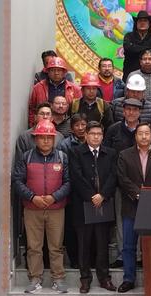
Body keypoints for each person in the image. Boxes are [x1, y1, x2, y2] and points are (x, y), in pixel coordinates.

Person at [12, 119, 70, 294]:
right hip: (32, 209)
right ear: (35, 138)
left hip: (56, 209)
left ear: (54, 139)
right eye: (42, 137)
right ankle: (35, 278)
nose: (46, 141)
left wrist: (54, 197)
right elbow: (17, 181)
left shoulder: (62, 157)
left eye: (49, 137)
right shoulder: (26, 157)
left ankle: (58, 278)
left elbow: (68, 183)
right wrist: (32, 197)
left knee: (56, 246)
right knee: (34, 246)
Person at [116, 123, 151, 293]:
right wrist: (138, 194)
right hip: (131, 205)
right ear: (135, 136)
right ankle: (128, 279)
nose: (144, 137)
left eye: (147, 133)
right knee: (128, 245)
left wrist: (149, 196)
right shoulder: (125, 155)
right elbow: (122, 179)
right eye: (140, 133)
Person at [69, 121, 118, 293]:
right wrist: (92, 196)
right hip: (83, 205)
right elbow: (76, 176)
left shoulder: (110, 153)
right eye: (93, 134)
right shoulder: (75, 152)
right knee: (84, 244)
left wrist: (102, 195)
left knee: (102, 244)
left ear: (103, 136)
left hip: (104, 204)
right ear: (86, 135)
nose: (96, 136)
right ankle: (85, 279)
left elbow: (114, 176)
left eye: (99, 134)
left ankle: (104, 278)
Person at [103, 98, 142, 269]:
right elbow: (107, 156)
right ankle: (121, 254)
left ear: (140, 112)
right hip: (119, 183)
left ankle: (140, 255)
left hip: (142, 186)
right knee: (121, 220)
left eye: (135, 109)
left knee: (142, 219)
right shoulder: (113, 130)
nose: (131, 112)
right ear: (123, 111)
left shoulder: (144, 130)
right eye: (128, 109)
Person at [57, 113, 87, 269]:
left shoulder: (91, 141)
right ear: (72, 128)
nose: (81, 128)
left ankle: (88, 259)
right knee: (71, 227)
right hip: (71, 192)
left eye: (83, 125)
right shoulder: (65, 145)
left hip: (88, 193)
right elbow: (64, 170)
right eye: (77, 125)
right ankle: (74, 259)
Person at [29, 57, 81, 127]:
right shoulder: (38, 88)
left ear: (64, 72)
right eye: (53, 70)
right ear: (48, 72)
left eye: (59, 70)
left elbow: (79, 111)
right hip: (43, 125)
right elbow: (32, 109)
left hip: (67, 126)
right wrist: (32, 125)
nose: (56, 73)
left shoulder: (74, 89)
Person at [123, 10, 151, 82]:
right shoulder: (129, 36)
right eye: (140, 21)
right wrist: (148, 48)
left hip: (149, 74)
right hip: (130, 73)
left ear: (149, 24)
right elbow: (128, 48)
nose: (142, 23)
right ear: (136, 24)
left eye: (145, 21)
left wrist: (135, 47)